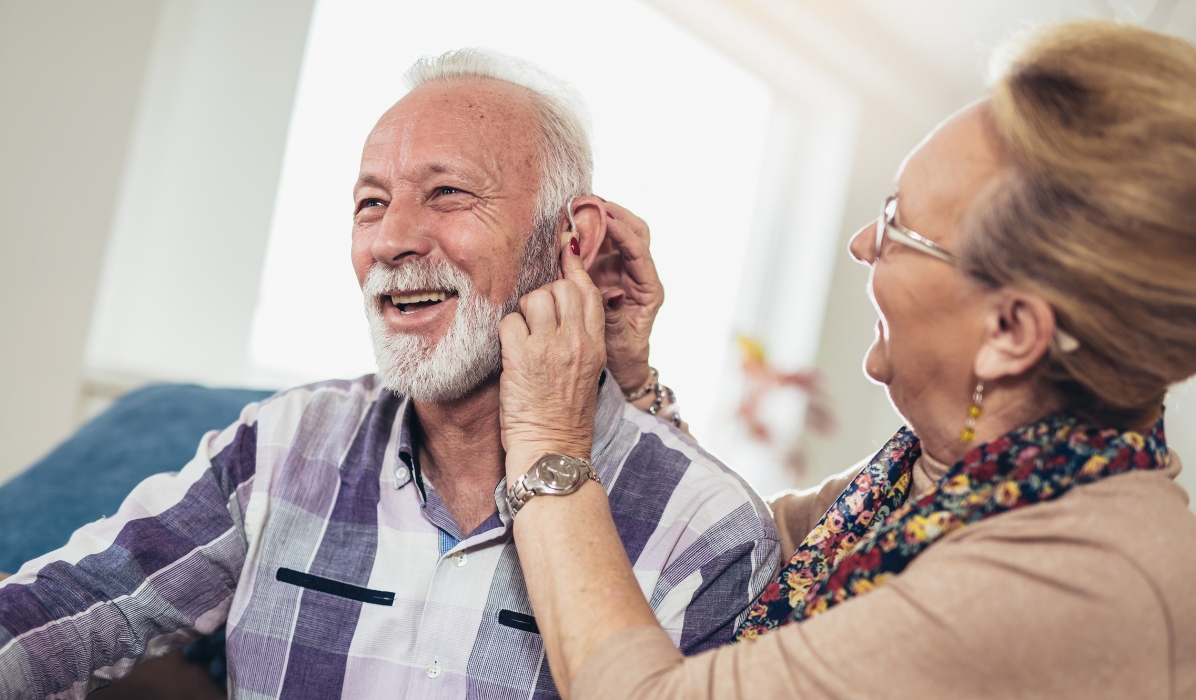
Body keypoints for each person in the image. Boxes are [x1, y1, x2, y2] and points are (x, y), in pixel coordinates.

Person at [0, 49, 779, 699]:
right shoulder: (283, 444)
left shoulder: (707, 530)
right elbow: (65, 610)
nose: (392, 239)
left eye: (448, 193)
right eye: (371, 203)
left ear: (571, 241)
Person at [496, 20, 1196, 700]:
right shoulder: (934, 482)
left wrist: (548, 444)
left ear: (1011, 331)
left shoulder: (1074, 579)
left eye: (898, 225)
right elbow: (731, 550)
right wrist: (632, 381)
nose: (863, 243)